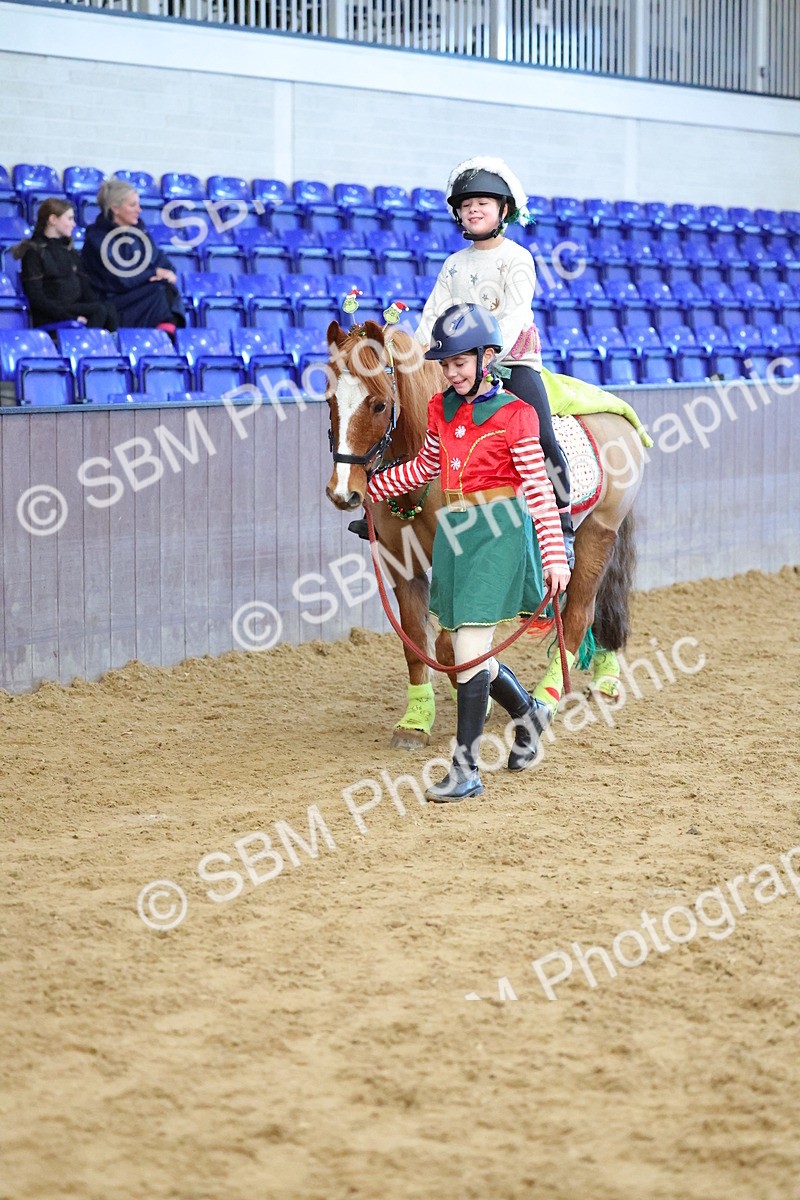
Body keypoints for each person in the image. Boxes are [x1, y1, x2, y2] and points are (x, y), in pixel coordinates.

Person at [367, 303, 570, 804]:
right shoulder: (442, 409)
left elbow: (539, 491)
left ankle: (466, 770)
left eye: (462, 361)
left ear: (488, 358)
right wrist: (371, 488)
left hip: (498, 533)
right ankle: (526, 715)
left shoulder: (516, 416)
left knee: (468, 654)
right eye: (447, 362)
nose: (453, 371)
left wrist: (555, 556)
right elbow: (424, 467)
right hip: (456, 535)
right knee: (468, 658)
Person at [415, 156, 575, 567]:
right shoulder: (454, 264)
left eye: (483, 203)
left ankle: (562, 526)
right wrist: (414, 357)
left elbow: (515, 315)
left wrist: (483, 357)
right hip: (457, 367)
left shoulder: (517, 258)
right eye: (466, 205)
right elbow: (433, 315)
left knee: (541, 438)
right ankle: (399, 511)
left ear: (504, 210)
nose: (473, 210)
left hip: (509, 363)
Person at [81, 177, 186, 330]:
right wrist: (153, 272)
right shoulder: (97, 239)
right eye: (133, 205)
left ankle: (168, 333)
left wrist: (168, 272)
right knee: (160, 290)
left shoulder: (140, 234)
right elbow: (121, 278)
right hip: (113, 301)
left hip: (139, 295)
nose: (139, 210)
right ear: (115, 208)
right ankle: (166, 334)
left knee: (167, 287)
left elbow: (160, 260)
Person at [12, 198, 119, 331]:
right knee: (99, 310)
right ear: (53, 219)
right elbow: (37, 298)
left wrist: (91, 307)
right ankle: (88, 348)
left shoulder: (69, 251)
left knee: (108, 308)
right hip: (50, 313)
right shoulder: (34, 252)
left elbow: (85, 288)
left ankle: (108, 348)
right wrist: (69, 316)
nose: (74, 224)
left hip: (72, 308)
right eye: (69, 219)